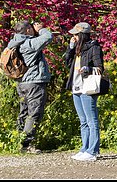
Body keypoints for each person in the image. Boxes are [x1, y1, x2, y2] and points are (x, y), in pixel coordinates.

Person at [7, 19, 53, 154]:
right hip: (34, 83)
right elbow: (48, 37)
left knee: (24, 112)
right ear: (27, 30)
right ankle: (27, 145)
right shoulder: (29, 44)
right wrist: (41, 30)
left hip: (22, 83)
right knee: (34, 113)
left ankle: (19, 141)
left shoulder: (14, 43)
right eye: (31, 28)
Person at [63, 21, 105, 162]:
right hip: (76, 87)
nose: (73, 36)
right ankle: (84, 148)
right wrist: (70, 47)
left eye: (75, 34)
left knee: (91, 120)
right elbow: (68, 64)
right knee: (83, 121)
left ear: (81, 34)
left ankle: (93, 151)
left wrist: (87, 69)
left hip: (87, 88)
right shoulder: (77, 49)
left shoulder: (94, 48)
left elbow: (100, 68)